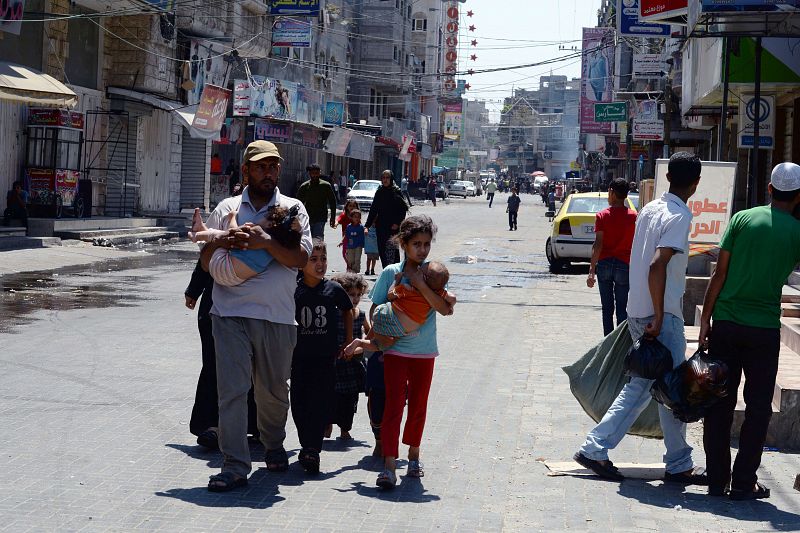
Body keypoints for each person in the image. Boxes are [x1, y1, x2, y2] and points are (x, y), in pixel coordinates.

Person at [573, 152, 707, 485]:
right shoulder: (678, 215)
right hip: (661, 315)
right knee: (659, 388)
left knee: (661, 389)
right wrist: (660, 316)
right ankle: (596, 449)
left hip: (638, 309)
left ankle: (678, 463)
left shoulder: (649, 208)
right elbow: (657, 265)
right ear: (696, 183)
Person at [199, 140, 312, 492]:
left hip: (277, 316)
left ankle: (274, 444)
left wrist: (265, 243)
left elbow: (300, 260)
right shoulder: (227, 208)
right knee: (233, 390)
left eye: (274, 166)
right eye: (261, 166)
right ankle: (234, 464)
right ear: (246, 170)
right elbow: (205, 263)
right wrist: (222, 242)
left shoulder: (293, 209)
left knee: (273, 391)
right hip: (229, 313)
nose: (269, 172)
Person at [699, 162, 800, 500]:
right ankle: (743, 482)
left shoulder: (742, 219)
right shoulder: (797, 232)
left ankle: (716, 480)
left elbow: (720, 273)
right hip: (764, 331)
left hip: (726, 325)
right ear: (798, 196)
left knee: (719, 404)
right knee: (758, 408)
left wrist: (704, 320)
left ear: (769, 189)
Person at [370, 215, 456, 489]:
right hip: (395, 351)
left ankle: (414, 455)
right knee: (393, 407)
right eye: (416, 244)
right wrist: (378, 337)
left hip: (424, 353)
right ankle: (389, 465)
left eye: (426, 244)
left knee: (418, 408)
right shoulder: (390, 273)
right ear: (404, 244)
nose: (422, 250)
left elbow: (444, 309)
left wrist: (420, 284)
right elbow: (374, 309)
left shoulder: (433, 274)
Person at [290, 239, 354, 474]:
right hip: (297, 358)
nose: (320, 265)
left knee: (320, 402)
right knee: (298, 402)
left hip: (326, 358)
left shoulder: (333, 289)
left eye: (323, 259)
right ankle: (305, 442)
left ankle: (312, 449)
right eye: (313, 259)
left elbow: (348, 310)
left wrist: (348, 341)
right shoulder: (293, 288)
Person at [184, 260, 259, 450]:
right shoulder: (223, 230)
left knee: (255, 367)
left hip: (257, 306)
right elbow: (210, 253)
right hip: (215, 305)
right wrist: (194, 288)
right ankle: (212, 426)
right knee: (214, 366)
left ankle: (258, 426)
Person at [345, 261, 454, 356]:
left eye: (418, 271)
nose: (415, 271)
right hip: (389, 317)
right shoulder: (410, 290)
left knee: (384, 343)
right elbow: (389, 295)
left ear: (424, 278)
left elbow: (390, 294)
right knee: (382, 344)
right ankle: (362, 346)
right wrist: (450, 306)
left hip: (394, 322)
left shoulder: (416, 290)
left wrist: (396, 281)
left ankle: (360, 344)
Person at [188, 206, 301, 287]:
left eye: (265, 216)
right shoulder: (276, 247)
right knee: (223, 237)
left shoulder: (257, 237)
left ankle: (197, 235)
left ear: (269, 224)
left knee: (223, 235)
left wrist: (232, 217)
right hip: (231, 278)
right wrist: (298, 231)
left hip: (221, 266)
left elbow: (232, 231)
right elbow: (293, 242)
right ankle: (203, 230)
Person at [587, 178, 637, 336]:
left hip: (605, 264)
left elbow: (598, 244)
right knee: (622, 309)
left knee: (607, 308)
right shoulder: (634, 217)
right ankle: (619, 345)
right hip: (624, 265)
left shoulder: (602, 216)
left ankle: (607, 343)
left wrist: (591, 270)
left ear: (612, 193)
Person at [330, 272, 370, 441]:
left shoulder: (360, 315)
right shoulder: (333, 313)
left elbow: (369, 336)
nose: (355, 299)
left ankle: (345, 429)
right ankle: (328, 423)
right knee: (331, 395)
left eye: (358, 295)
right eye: (351, 294)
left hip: (352, 364)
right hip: (334, 363)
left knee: (349, 399)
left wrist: (358, 348)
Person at [365, 170, 409, 268]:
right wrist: (367, 226)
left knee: (392, 250)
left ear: (391, 179)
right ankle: (386, 271)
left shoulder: (396, 191)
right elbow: (373, 209)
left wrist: (397, 223)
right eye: (383, 178)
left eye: (387, 177)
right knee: (382, 250)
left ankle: (395, 272)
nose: (385, 180)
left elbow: (403, 210)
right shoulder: (379, 192)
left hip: (393, 228)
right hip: (381, 226)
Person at [297, 163, 337, 240]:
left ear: (320, 173)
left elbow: (333, 202)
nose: (315, 175)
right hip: (308, 218)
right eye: (313, 173)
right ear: (309, 174)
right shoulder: (304, 186)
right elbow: (298, 204)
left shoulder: (326, 185)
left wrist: (333, 217)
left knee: (318, 240)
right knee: (307, 239)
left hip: (321, 218)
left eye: (317, 173)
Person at [336, 198, 359, 264]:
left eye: (353, 206)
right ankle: (349, 266)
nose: (352, 207)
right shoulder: (344, 215)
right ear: (347, 207)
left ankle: (351, 268)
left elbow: (360, 226)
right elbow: (338, 219)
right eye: (350, 206)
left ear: (356, 207)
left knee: (353, 255)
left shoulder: (357, 216)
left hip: (355, 239)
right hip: (345, 239)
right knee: (345, 254)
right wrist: (336, 223)